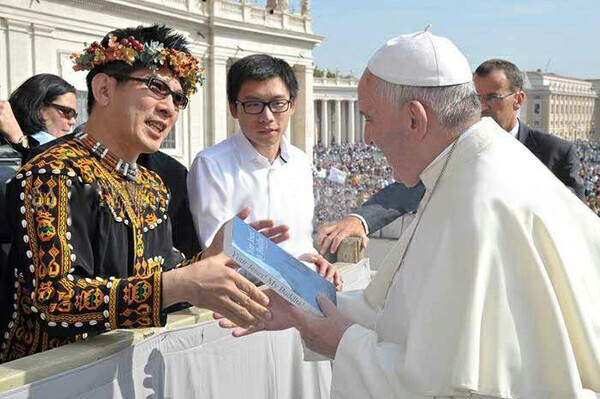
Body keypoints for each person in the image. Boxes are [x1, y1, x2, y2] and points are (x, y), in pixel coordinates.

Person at [218, 30, 600, 398]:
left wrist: (340, 341)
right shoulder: (470, 168)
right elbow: (407, 314)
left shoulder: (479, 201)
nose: (366, 138)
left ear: (415, 119)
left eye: (369, 118)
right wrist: (305, 302)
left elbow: (448, 388)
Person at [0, 24, 276, 363]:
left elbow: (153, 283)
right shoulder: (52, 171)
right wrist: (179, 284)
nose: (171, 108)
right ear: (104, 89)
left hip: (121, 370)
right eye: (157, 88)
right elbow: (54, 301)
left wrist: (207, 261)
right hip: (50, 378)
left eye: (178, 98)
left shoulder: (152, 185)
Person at [317, 59, 586, 255]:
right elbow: (409, 189)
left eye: (492, 97)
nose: (482, 106)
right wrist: (360, 219)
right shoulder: (460, 147)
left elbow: (574, 222)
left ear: (518, 100)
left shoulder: (555, 152)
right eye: (476, 97)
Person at [187, 54, 340, 398]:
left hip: (300, 309)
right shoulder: (211, 165)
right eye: (253, 104)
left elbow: (301, 237)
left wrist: (316, 261)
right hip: (247, 314)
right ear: (233, 108)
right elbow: (214, 250)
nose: (267, 117)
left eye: (276, 103)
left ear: (292, 105)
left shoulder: (301, 161)